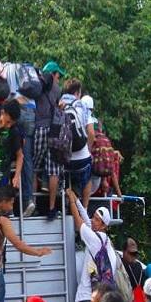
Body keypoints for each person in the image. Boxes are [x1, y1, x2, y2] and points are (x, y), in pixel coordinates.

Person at [65, 186, 118, 302]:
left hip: (86, 298)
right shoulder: (107, 244)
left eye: (97, 219)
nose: (93, 221)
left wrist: (71, 200)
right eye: (94, 217)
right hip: (101, 299)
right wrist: (79, 202)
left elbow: (80, 224)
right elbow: (86, 220)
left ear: (103, 225)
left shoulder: (94, 240)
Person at [33, 61, 65, 220]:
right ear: (53, 74)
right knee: (53, 170)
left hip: (39, 128)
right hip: (54, 131)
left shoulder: (38, 85)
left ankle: (31, 205)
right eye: (58, 75)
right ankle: (52, 208)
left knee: (33, 167)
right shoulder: (57, 89)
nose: (59, 79)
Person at [61, 79, 94, 209]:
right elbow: (91, 133)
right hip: (81, 158)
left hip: (64, 161)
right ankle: (84, 209)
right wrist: (88, 150)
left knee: (65, 179)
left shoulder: (58, 104)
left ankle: (64, 206)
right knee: (87, 176)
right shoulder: (82, 106)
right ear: (77, 92)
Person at [0, 100, 24, 195]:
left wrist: (16, 176)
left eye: (11, 123)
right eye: (8, 122)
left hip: (3, 170)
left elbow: (20, 156)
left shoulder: (14, 131)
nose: (9, 125)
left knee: (1, 196)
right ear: (2, 112)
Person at [121, 237, 146, 302]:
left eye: (135, 254)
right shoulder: (119, 265)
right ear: (124, 251)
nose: (133, 256)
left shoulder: (138, 266)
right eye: (131, 253)